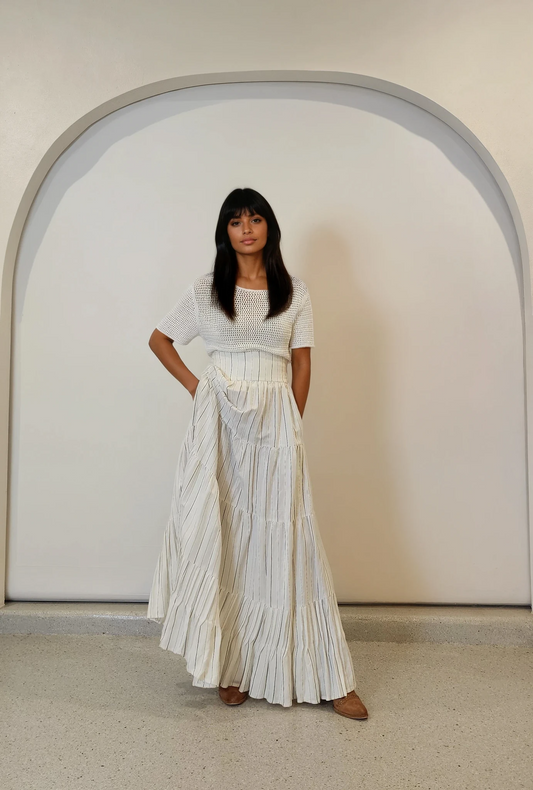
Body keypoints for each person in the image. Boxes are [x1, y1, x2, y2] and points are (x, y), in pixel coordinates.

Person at [146, 187, 368, 721]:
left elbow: (303, 363)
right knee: (230, 535)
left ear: (269, 227)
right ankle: (233, 666)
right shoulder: (206, 290)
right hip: (220, 422)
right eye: (236, 220)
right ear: (224, 231)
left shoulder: (294, 291)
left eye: (256, 218)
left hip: (275, 423)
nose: (247, 228)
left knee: (293, 538)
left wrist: (290, 422)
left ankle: (331, 675)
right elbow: (159, 340)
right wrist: (201, 390)